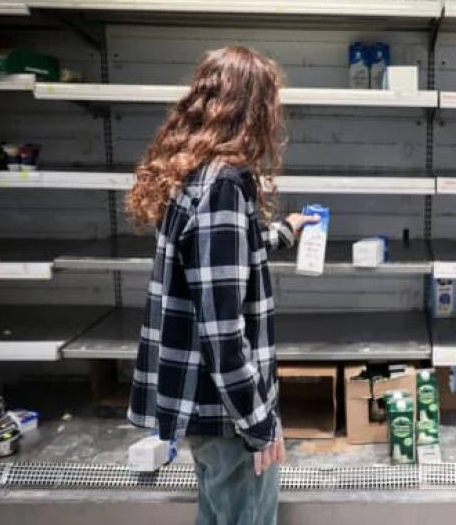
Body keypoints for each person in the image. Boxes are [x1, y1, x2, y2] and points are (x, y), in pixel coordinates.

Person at [125, 46, 316, 525]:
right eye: (271, 104)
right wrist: (260, 424)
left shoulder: (194, 175)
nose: (276, 117)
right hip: (229, 414)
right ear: (251, 111)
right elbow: (222, 332)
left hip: (210, 410)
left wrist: (287, 229)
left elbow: (228, 256)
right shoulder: (224, 187)